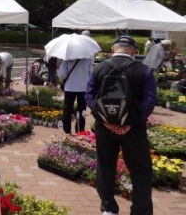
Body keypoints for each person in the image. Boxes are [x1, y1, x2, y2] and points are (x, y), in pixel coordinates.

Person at [85, 35, 156, 215]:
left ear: (113, 49)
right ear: (134, 51)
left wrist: (105, 121)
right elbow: (149, 100)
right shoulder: (144, 70)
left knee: (105, 165)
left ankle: (108, 208)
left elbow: (89, 96)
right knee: (141, 170)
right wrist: (131, 123)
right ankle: (140, 210)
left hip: (105, 128)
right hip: (134, 129)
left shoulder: (99, 68)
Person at [58, 58, 92, 134]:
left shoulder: (66, 59)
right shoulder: (87, 60)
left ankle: (66, 129)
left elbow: (62, 74)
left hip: (70, 87)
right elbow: (91, 74)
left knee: (67, 108)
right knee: (82, 109)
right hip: (83, 87)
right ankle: (79, 129)